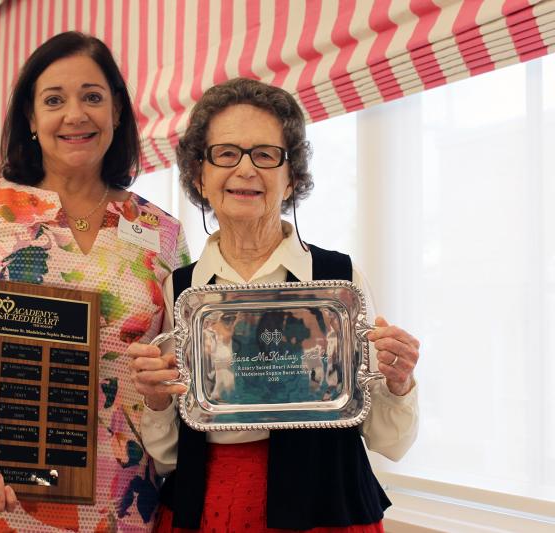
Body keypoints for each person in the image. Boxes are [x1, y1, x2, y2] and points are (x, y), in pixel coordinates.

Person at [0, 31, 189, 532]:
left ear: (117, 111)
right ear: (30, 118)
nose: (76, 114)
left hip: (115, 506)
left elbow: (175, 368)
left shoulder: (163, 234)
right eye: (54, 100)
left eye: (93, 97)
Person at [128, 78, 420, 532]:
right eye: (226, 153)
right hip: (209, 508)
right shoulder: (180, 291)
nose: (246, 169)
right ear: (199, 175)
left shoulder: (339, 282)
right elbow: (167, 458)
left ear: (292, 178)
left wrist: (399, 383)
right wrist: (156, 399)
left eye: (265, 155)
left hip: (326, 511)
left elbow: (389, 441)